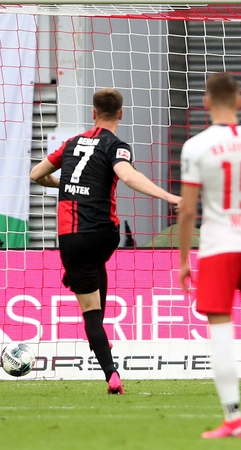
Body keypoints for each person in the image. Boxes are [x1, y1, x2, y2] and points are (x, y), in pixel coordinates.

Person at [29, 88, 180, 394]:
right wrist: (169, 196)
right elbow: (128, 176)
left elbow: (36, 174)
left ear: (93, 113)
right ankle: (99, 330)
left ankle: (111, 373)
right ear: (120, 114)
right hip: (106, 235)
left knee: (91, 312)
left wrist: (64, 184)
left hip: (72, 237)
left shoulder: (70, 144)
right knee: (95, 269)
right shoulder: (116, 145)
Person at [178, 72, 241, 438]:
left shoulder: (196, 146)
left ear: (206, 102)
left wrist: (183, 259)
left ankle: (233, 418)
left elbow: (187, 211)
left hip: (218, 247)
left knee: (221, 332)